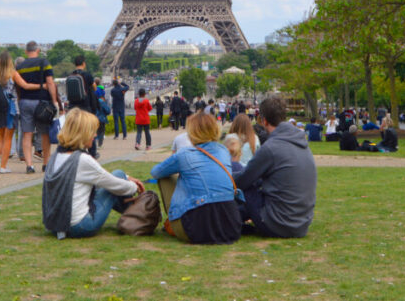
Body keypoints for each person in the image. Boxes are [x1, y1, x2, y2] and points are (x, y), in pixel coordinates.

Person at [41, 109, 145, 239]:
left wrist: (127, 177)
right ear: (83, 134)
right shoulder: (82, 160)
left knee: (118, 175)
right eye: (93, 132)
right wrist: (135, 186)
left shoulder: (56, 156)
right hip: (80, 226)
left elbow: (101, 176)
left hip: (56, 225)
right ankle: (138, 216)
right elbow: (115, 185)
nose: (95, 135)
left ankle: (134, 215)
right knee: (118, 177)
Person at [151, 113, 243, 244]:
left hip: (195, 230)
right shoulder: (223, 151)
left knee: (165, 177)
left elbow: (156, 172)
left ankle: (173, 221)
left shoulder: (184, 154)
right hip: (230, 227)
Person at [234, 96, 316, 238]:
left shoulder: (271, 148)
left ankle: (225, 218)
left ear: (264, 120)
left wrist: (225, 174)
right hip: (301, 224)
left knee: (241, 178)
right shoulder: (301, 143)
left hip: (277, 223)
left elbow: (242, 181)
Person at [15, 41, 60, 174]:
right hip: (42, 102)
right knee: (44, 134)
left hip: (25, 101)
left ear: (26, 51)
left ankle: (29, 165)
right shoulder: (44, 63)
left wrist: (20, 100)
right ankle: (45, 163)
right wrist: (54, 101)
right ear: (38, 50)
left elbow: (18, 86)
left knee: (27, 134)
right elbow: (50, 83)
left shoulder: (20, 66)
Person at [0, 51, 18, 173]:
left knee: (0, 136)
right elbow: (23, 87)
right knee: (8, 138)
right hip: (10, 108)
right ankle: (3, 166)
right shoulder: (13, 75)